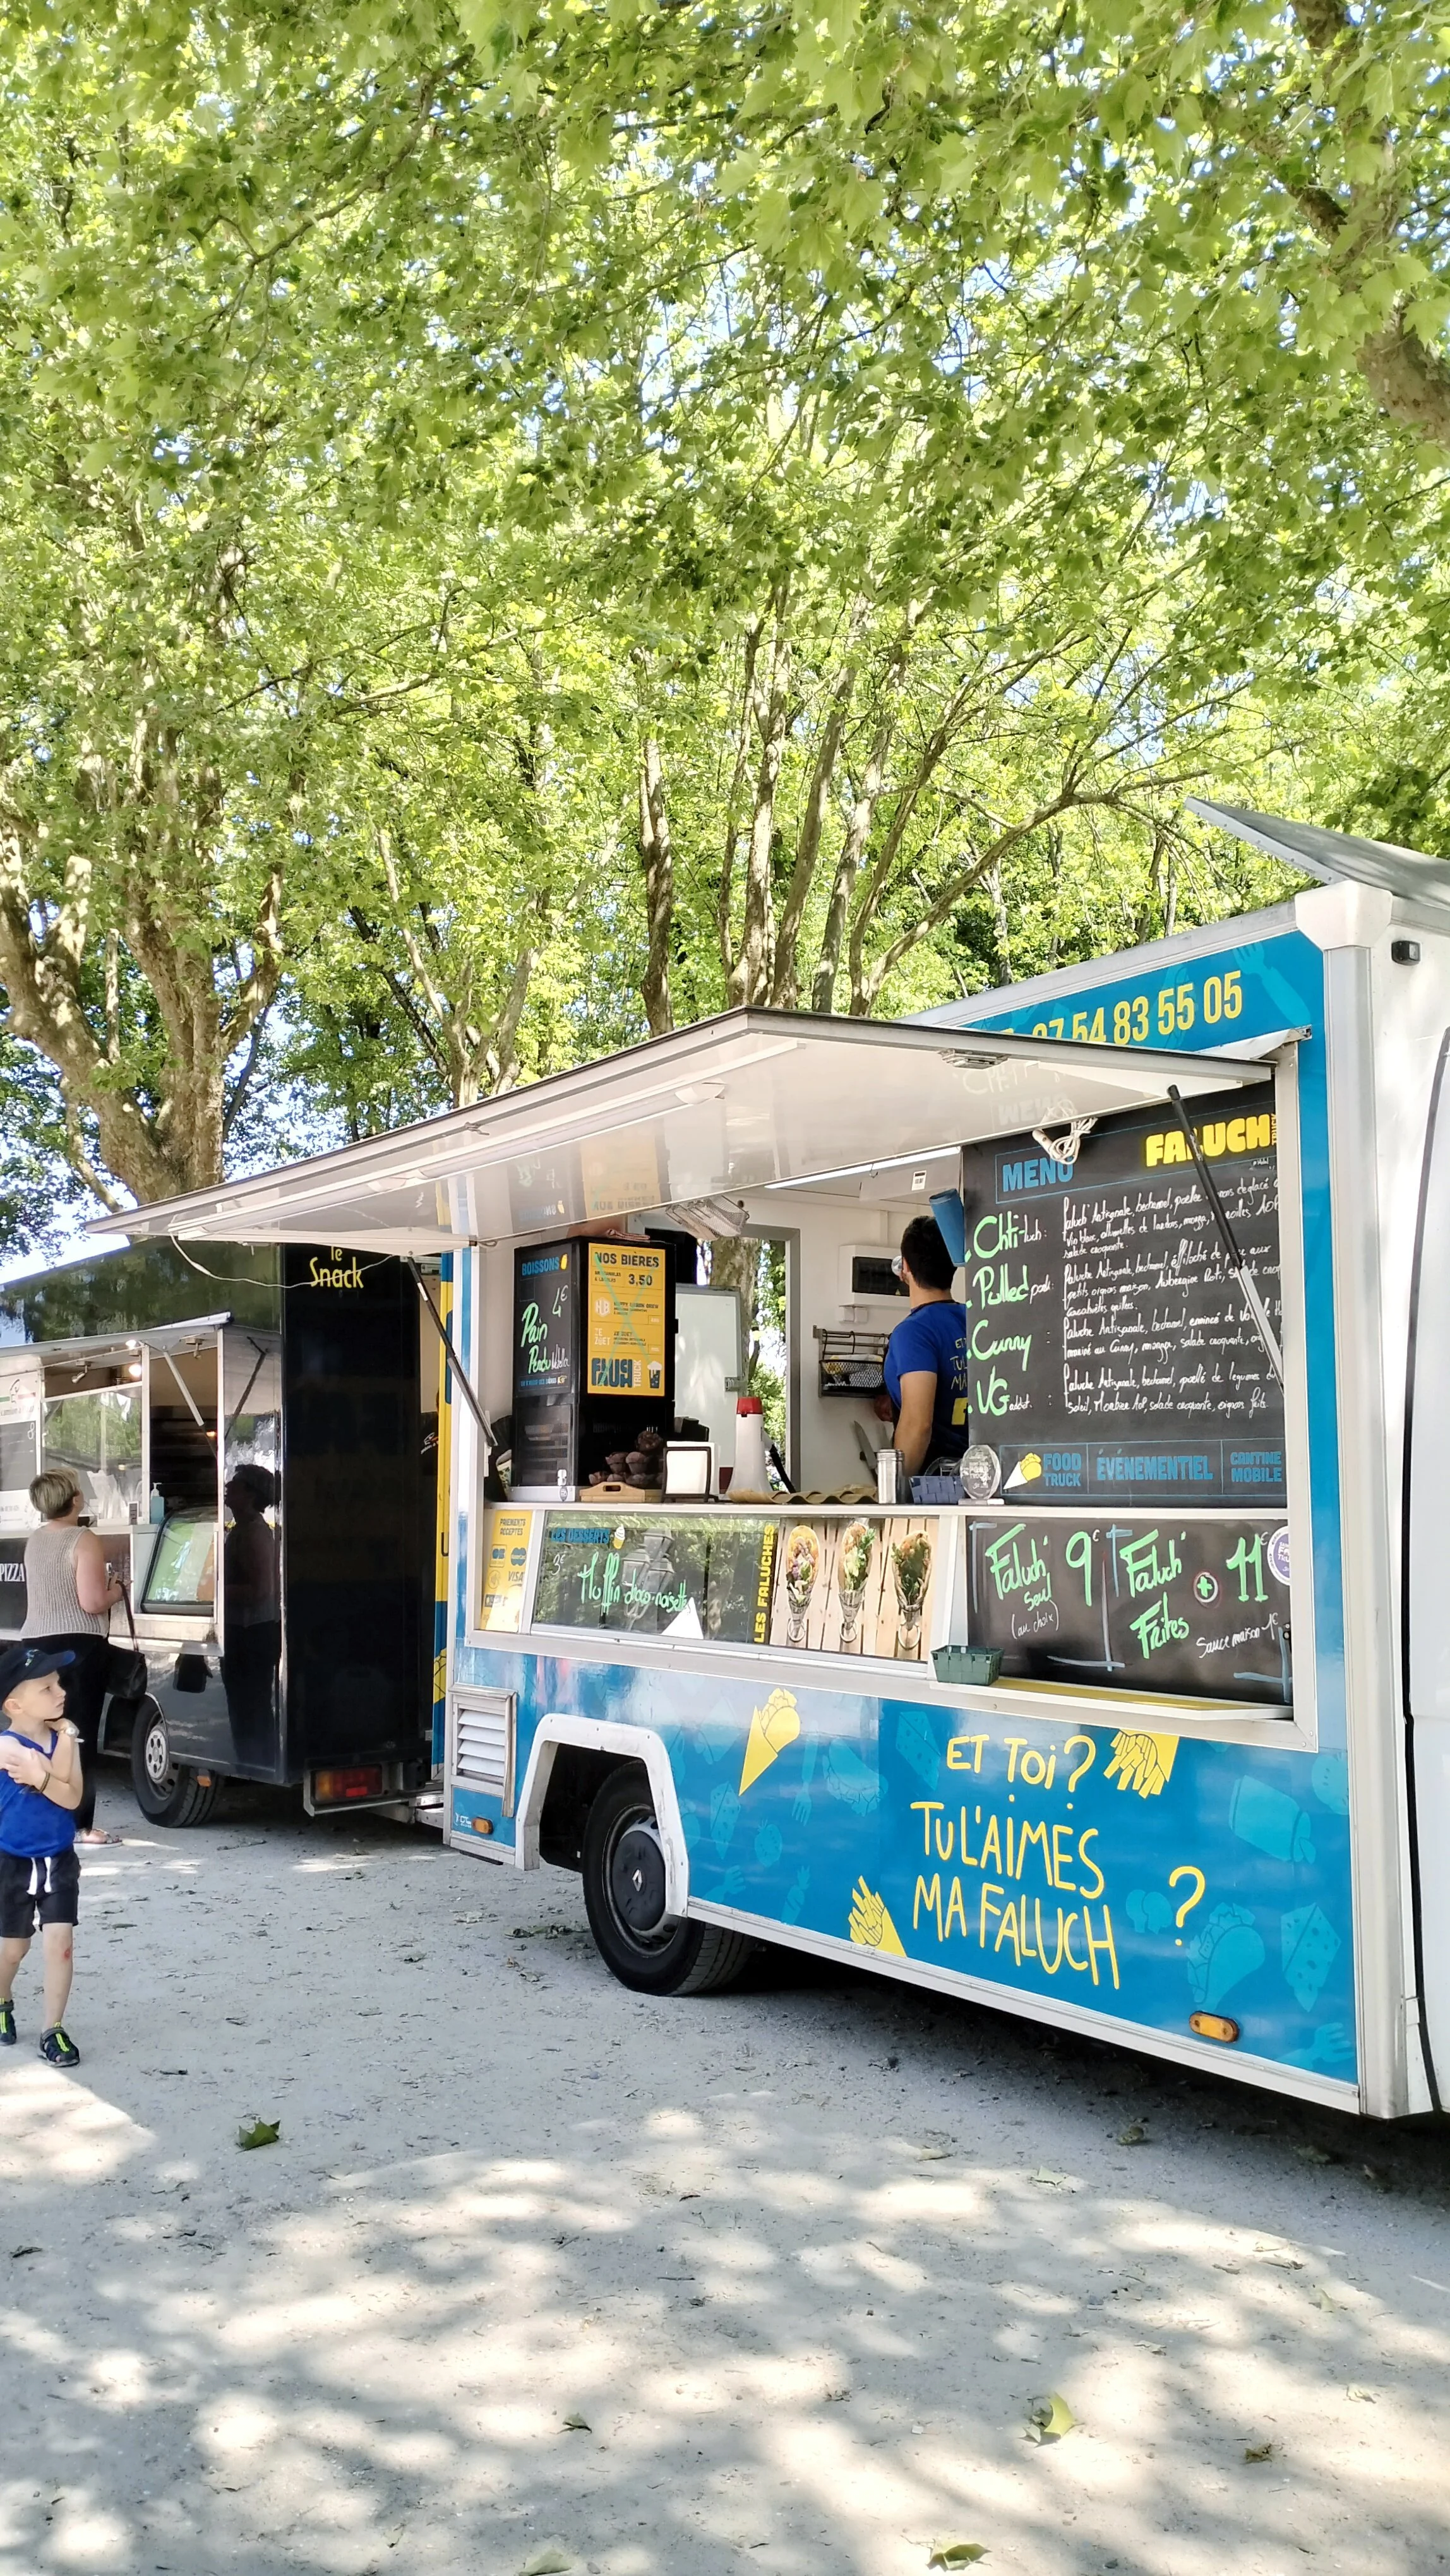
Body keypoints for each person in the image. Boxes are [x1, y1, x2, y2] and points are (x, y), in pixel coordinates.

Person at [23, 1469, 124, 1846]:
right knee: (77, 1735)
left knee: (41, 1735)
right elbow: (92, 1602)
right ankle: (80, 1825)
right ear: (75, 1500)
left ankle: (39, 1818)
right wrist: (117, 1591)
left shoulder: (35, 1540)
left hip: (34, 1645)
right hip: (77, 1647)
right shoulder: (83, 1539)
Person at [0, 1643, 85, 2066]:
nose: (60, 1692)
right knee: (13, 1950)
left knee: (61, 1944)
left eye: (59, 1683)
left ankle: (53, 2029)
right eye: (46, 1688)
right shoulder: (5, 1747)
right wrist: (52, 1761)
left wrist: (48, 1765)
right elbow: (59, 1777)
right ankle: (2, 1999)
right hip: (12, 1862)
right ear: (14, 1705)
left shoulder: (64, 1738)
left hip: (58, 1859)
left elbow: (72, 1797)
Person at [880, 1213, 971, 1480]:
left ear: (905, 1267)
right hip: (984, 1477)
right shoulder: (978, 1320)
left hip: (937, 1485)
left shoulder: (914, 1333)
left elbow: (917, 1425)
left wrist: (895, 1493)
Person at [221, 1465, 280, 1763]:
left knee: (252, 1706)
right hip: (243, 1631)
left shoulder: (255, 1533)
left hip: (252, 1633)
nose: (228, 1487)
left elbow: (261, 1590)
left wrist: (218, 1592)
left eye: (237, 1484)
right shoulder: (242, 1529)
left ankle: (257, 1764)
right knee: (244, 1706)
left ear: (251, 1495)